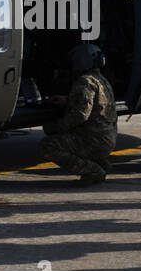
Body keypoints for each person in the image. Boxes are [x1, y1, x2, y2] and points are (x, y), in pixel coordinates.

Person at [40, 43, 118, 186]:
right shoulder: (102, 80)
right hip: (107, 139)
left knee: (48, 145)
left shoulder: (84, 81)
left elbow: (80, 115)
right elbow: (94, 103)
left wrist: (55, 127)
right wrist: (68, 100)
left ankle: (92, 170)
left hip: (95, 141)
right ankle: (100, 163)